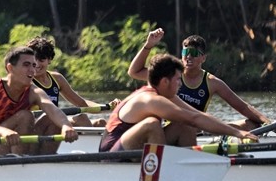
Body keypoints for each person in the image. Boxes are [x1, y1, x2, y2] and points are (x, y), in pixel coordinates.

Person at [128, 28, 269, 145]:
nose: (188, 57)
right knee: (189, 125)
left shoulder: (212, 82)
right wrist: (148, 45)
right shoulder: (169, 75)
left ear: (203, 58)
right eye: (185, 52)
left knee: (251, 124)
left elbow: (243, 107)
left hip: (201, 128)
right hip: (176, 128)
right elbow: (134, 71)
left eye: (194, 53)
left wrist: (267, 123)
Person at [101, 53, 256, 152]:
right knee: (152, 124)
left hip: (135, 148)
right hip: (112, 154)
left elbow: (197, 116)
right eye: (177, 80)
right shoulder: (150, 100)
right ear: (164, 82)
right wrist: (237, 132)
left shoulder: (165, 95)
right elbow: (194, 119)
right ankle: (163, 169)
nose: (180, 84)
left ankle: (189, 167)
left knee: (185, 124)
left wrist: (234, 131)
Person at [0, 45, 79, 156]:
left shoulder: (33, 91)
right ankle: (20, 162)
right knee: (25, 116)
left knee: (51, 119)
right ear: (10, 68)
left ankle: (43, 162)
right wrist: (4, 132)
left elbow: (53, 110)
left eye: (34, 65)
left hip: (15, 143)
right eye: (26, 65)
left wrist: (66, 125)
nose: (32, 70)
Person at [26, 36, 118, 132]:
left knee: (101, 122)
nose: (36, 64)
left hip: (55, 121)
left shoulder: (57, 79)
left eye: (41, 60)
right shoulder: (27, 81)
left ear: (49, 60)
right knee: (82, 119)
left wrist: (108, 107)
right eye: (33, 60)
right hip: (37, 125)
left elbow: (82, 103)